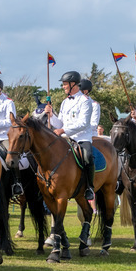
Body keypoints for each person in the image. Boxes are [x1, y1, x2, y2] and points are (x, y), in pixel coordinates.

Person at [48, 70, 96, 201]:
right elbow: (59, 124)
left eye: (65, 84)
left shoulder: (85, 101)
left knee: (87, 156)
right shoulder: (65, 102)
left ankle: (89, 187)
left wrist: (63, 130)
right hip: (66, 138)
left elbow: (83, 123)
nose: (63, 86)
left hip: (81, 138)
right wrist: (51, 115)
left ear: (73, 84)